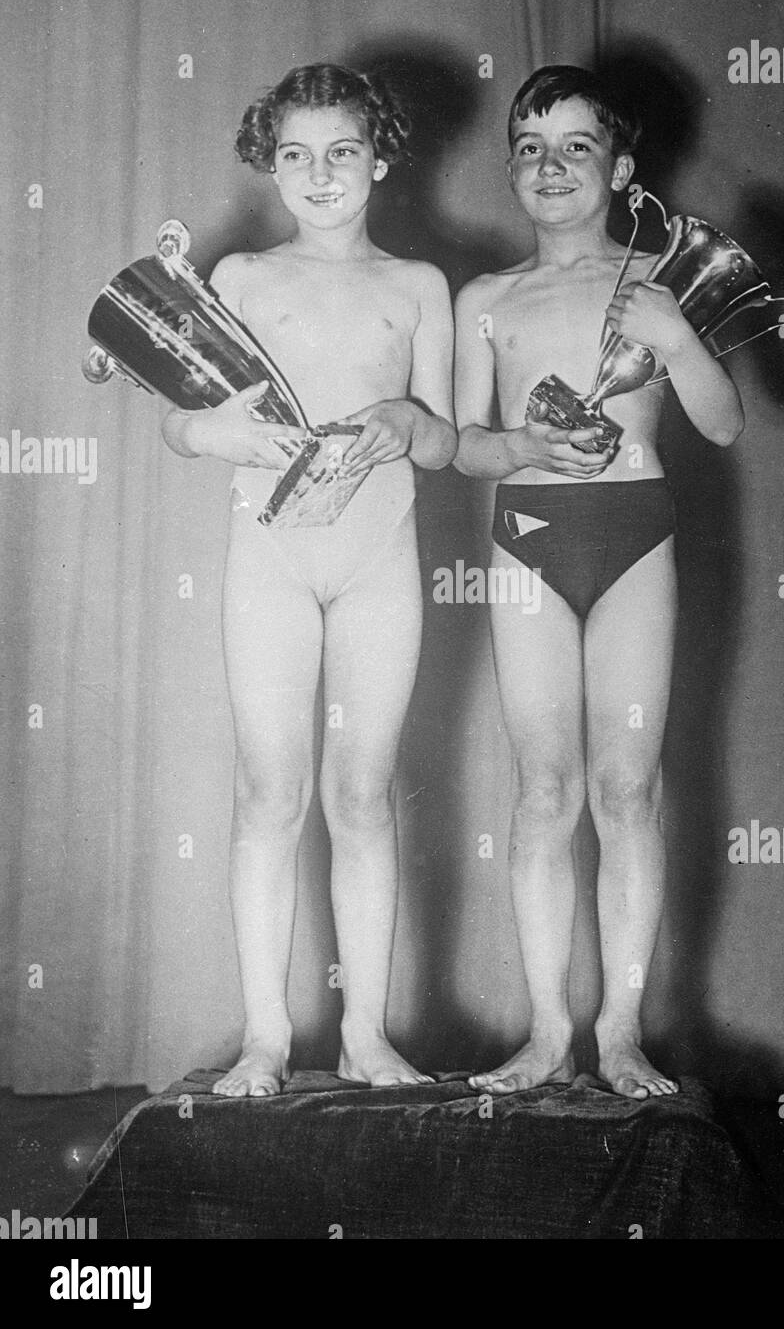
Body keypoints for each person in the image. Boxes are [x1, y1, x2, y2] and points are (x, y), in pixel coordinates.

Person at [161, 63, 456, 1096]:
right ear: (270, 164)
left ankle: (367, 1037)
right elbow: (178, 419)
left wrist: (406, 420)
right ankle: (265, 1039)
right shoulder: (240, 276)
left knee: (364, 794)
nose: (320, 173)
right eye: (296, 154)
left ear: (380, 160)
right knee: (268, 791)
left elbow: (444, 441)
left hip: (379, 558)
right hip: (272, 558)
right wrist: (216, 432)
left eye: (342, 152)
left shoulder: (419, 286)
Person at [453, 65, 743, 1099]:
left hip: (634, 537)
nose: (550, 165)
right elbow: (463, 445)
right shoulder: (486, 300)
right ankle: (547, 1033)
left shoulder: (660, 284)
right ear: (510, 169)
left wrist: (675, 340)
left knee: (626, 789)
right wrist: (521, 444)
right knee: (544, 791)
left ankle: (619, 1032)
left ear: (620, 169)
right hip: (528, 537)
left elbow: (722, 423)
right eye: (529, 148)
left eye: (577, 146)